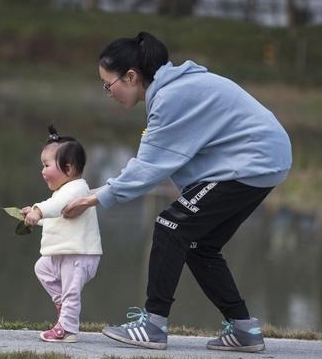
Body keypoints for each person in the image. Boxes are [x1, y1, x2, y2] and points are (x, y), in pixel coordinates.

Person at [62, 31, 292, 352]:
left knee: (170, 226)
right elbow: (179, 163)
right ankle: (244, 330)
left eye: (108, 84)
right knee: (199, 243)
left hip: (253, 160)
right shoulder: (174, 90)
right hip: (263, 160)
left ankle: (153, 325)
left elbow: (148, 169)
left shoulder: (171, 97)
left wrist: (93, 197)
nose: (107, 92)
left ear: (131, 76)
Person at [21, 125, 102, 343]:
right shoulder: (63, 192)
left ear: (68, 167)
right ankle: (62, 305)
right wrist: (34, 216)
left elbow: (54, 205)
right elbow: (56, 215)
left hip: (79, 254)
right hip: (64, 252)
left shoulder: (77, 188)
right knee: (42, 268)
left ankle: (67, 330)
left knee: (71, 291)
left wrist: (38, 210)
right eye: (42, 165)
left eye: (47, 165)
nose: (43, 171)